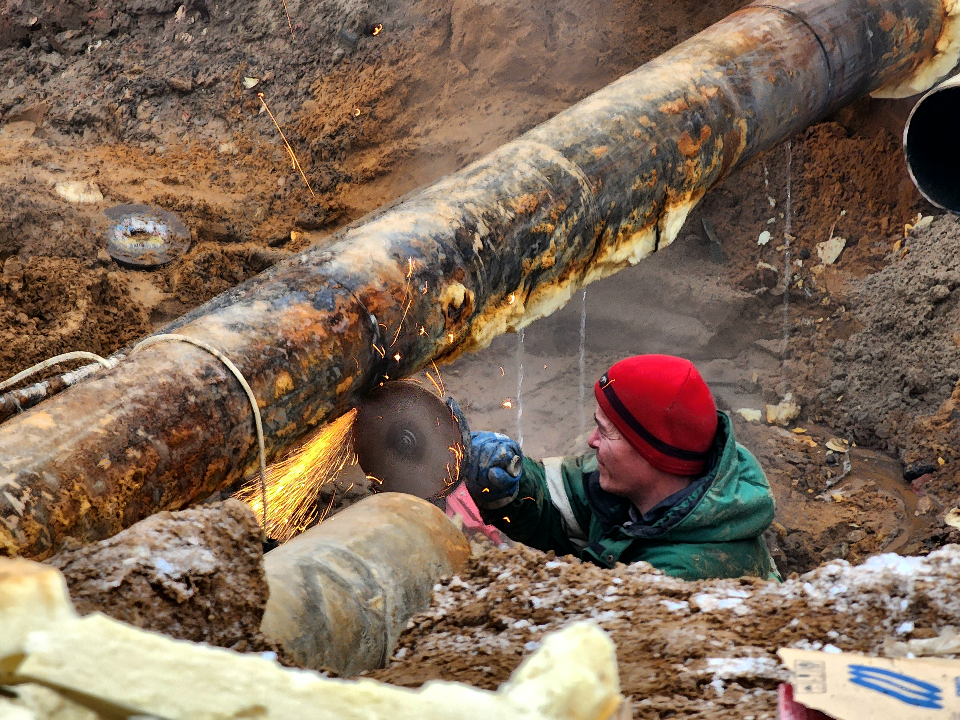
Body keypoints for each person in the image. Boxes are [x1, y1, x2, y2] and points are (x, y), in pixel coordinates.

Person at [463, 354, 780, 581]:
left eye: (605, 430)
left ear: (651, 453)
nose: (591, 441)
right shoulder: (628, 488)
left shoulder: (684, 576)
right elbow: (552, 501)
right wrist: (508, 481)